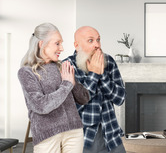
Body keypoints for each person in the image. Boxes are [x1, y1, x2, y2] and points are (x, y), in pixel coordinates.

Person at [18, 23, 90, 153]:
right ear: (41, 44)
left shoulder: (61, 66)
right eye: (57, 43)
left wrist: (73, 83)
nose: (61, 48)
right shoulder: (26, 72)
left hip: (74, 132)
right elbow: (40, 105)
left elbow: (84, 98)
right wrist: (67, 85)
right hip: (48, 135)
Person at [63, 26, 126, 153]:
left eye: (98, 40)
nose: (97, 45)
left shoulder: (109, 61)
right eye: (90, 40)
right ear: (77, 45)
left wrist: (102, 74)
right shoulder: (67, 66)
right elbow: (74, 107)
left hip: (111, 134)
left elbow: (120, 99)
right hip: (83, 138)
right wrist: (94, 73)